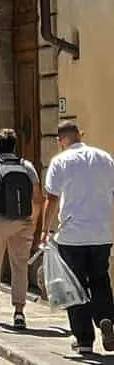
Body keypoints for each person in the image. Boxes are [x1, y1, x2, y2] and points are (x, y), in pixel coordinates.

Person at [41, 120, 114, 354]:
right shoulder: (104, 158)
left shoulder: (59, 161)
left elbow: (51, 198)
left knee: (75, 286)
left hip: (72, 235)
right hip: (101, 233)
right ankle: (106, 318)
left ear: (60, 140)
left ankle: (83, 340)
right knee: (100, 279)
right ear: (80, 135)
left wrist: (44, 230)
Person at [0, 127, 41, 329]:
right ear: (14, 146)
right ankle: (19, 312)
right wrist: (33, 223)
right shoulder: (27, 167)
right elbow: (37, 199)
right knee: (19, 266)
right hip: (23, 223)